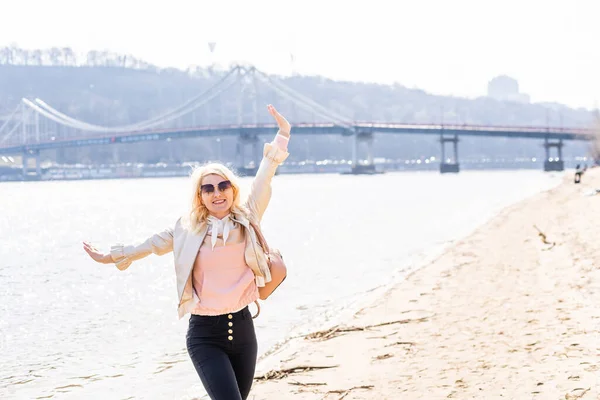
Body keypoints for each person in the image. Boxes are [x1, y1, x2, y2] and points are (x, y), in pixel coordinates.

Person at [83, 104, 291, 400]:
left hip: (245, 331)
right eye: (209, 189)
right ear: (200, 196)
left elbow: (265, 176)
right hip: (205, 336)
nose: (217, 193)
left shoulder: (248, 217)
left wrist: (283, 134)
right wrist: (111, 256)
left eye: (223, 186)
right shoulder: (187, 229)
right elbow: (151, 245)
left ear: (232, 190)